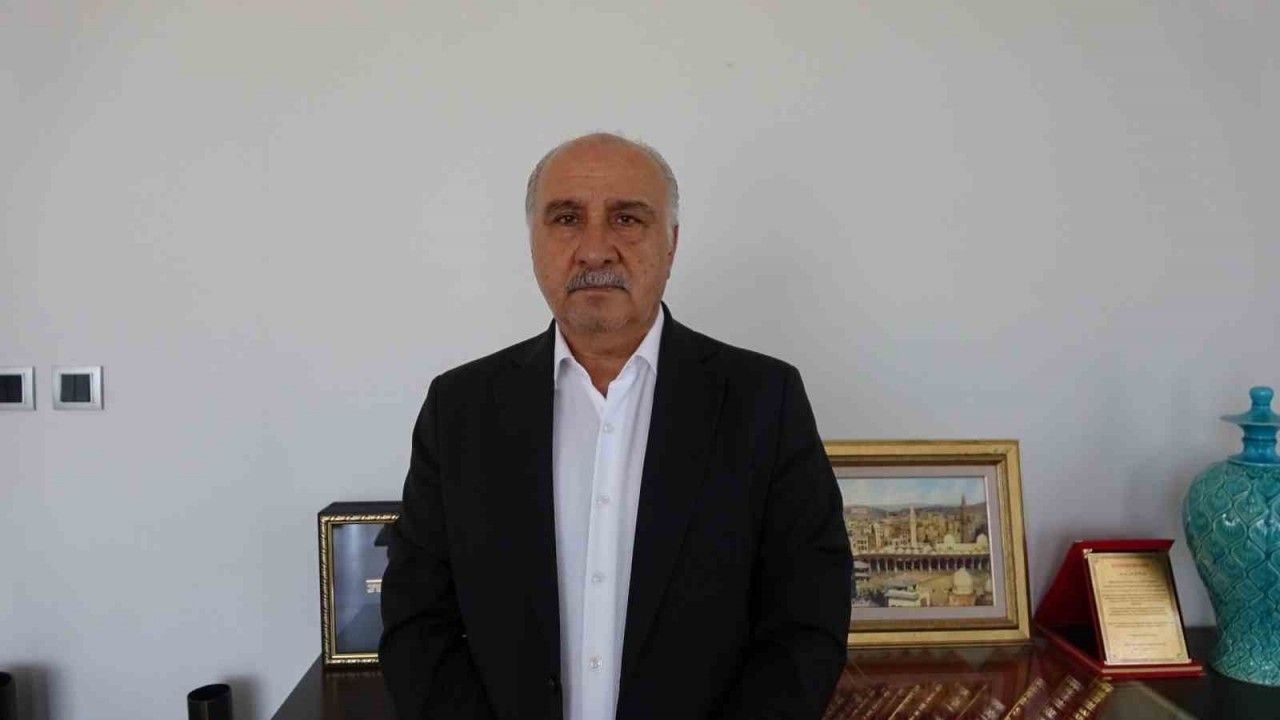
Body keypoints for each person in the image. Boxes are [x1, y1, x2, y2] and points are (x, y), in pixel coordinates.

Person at [379, 133, 852, 720]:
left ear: (671, 243)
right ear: (533, 242)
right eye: (567, 219)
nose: (596, 250)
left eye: (627, 219)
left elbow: (807, 622)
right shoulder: (460, 409)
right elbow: (416, 622)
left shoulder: (764, 401)